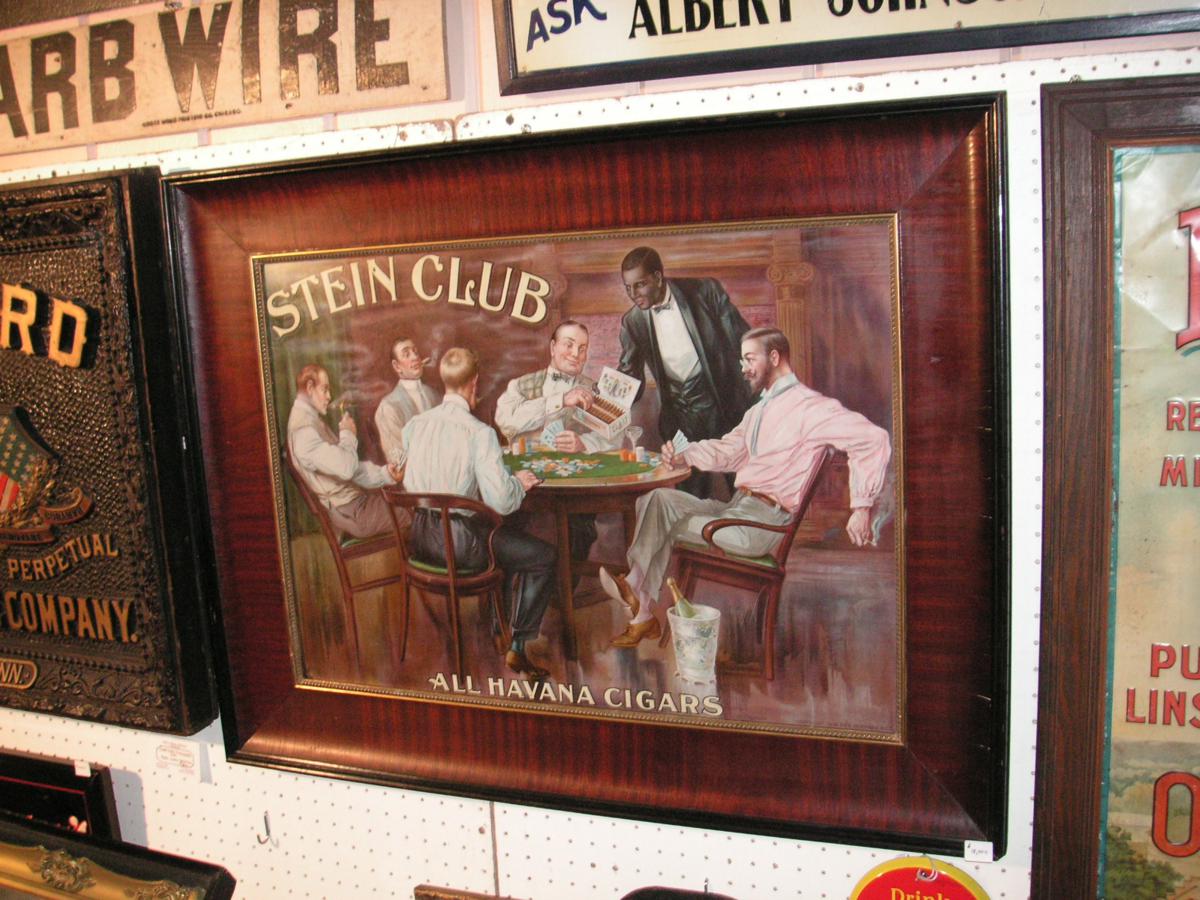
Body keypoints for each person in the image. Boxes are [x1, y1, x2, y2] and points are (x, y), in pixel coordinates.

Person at [600, 327, 891, 648]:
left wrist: (861, 506)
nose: (744, 368)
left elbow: (873, 438)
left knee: (668, 524)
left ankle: (639, 602)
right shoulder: (760, 410)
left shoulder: (811, 407)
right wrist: (687, 454)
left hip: (761, 525)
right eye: (742, 360)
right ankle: (638, 595)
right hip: (737, 510)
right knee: (656, 500)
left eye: (750, 359)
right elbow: (729, 451)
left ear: (775, 357)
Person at [401, 347, 556, 678]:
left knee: (505, 536)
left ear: (445, 381)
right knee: (543, 555)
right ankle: (517, 645)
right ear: (474, 383)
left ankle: (499, 629)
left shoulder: (415, 425)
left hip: (420, 540)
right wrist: (519, 483)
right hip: (460, 548)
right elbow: (502, 502)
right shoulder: (480, 433)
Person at [617, 246, 753, 498]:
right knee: (689, 496)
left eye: (640, 285)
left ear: (658, 277)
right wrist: (604, 398)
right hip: (679, 420)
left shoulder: (705, 291)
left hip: (723, 410)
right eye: (628, 287)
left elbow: (743, 343)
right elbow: (629, 376)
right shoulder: (633, 321)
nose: (633, 294)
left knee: (743, 487)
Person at [494, 320, 618, 564]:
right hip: (527, 482)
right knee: (507, 522)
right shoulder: (521, 385)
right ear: (552, 347)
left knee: (581, 530)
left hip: (574, 485)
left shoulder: (595, 390)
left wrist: (584, 443)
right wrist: (560, 399)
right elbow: (505, 421)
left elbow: (614, 438)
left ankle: (566, 585)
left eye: (582, 348)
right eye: (568, 345)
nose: (576, 354)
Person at [286, 363, 403, 539]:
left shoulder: (311, 422)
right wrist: (348, 434)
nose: (329, 396)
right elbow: (346, 469)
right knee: (414, 513)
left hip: (355, 507)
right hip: (352, 513)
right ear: (310, 388)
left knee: (413, 509)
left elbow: (350, 470)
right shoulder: (304, 431)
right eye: (325, 389)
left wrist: (386, 474)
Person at [374, 337, 439, 465]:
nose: (415, 357)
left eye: (415, 352)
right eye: (406, 354)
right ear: (396, 366)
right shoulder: (388, 407)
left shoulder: (434, 395)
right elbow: (398, 461)